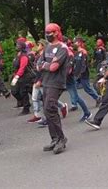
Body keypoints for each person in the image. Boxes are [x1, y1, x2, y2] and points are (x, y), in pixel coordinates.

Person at [37, 23, 70, 154]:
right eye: (46, 32)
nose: (47, 34)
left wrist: (44, 65)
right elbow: (38, 64)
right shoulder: (48, 47)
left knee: (49, 108)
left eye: (50, 32)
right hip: (46, 81)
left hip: (56, 83)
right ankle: (54, 138)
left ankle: (61, 139)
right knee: (47, 110)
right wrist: (46, 64)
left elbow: (53, 68)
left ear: (56, 32)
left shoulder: (62, 48)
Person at [73, 36, 101, 108]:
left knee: (87, 88)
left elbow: (84, 64)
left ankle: (97, 98)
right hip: (76, 73)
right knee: (73, 88)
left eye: (75, 42)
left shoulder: (83, 52)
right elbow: (74, 63)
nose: (74, 43)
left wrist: (81, 73)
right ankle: (75, 103)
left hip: (83, 73)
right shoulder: (76, 52)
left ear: (79, 43)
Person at [11, 38, 34, 115]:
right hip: (20, 77)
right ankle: (26, 107)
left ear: (22, 47)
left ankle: (26, 108)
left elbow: (22, 68)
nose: (16, 46)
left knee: (27, 92)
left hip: (26, 77)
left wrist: (16, 77)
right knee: (17, 91)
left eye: (18, 45)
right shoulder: (17, 55)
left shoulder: (24, 56)